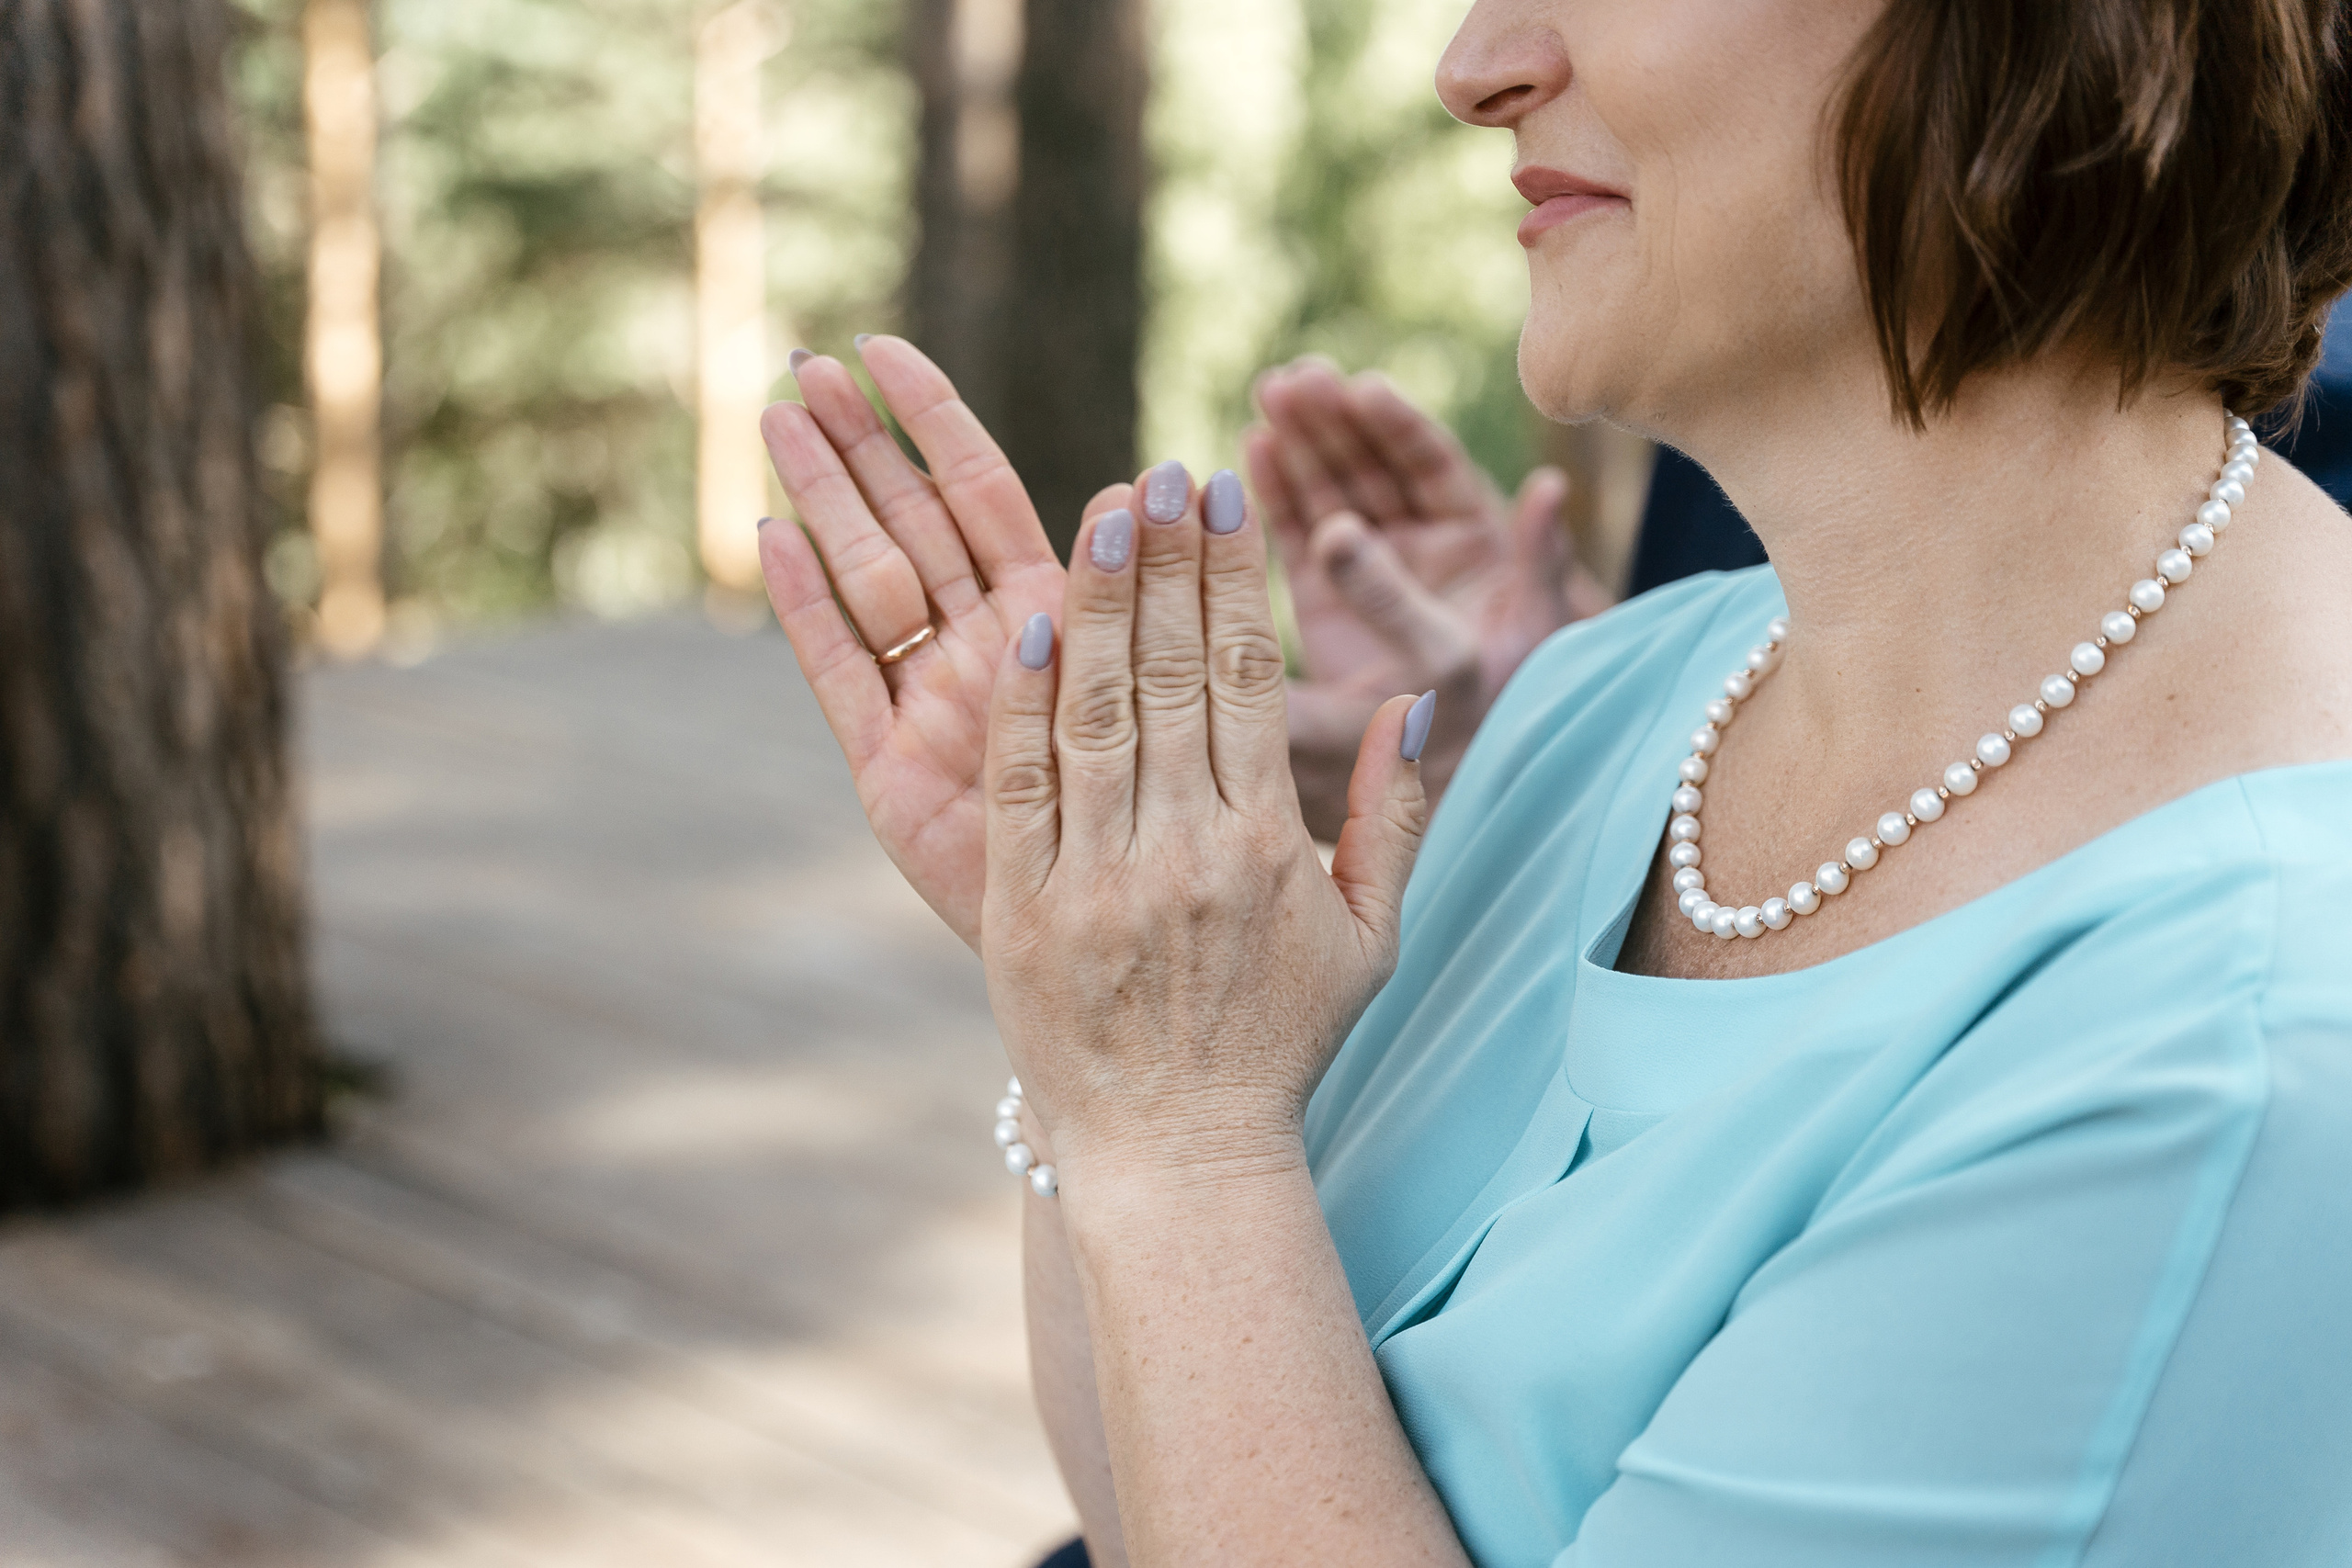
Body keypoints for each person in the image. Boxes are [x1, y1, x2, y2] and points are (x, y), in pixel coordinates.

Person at [758, 2, 2352, 1563]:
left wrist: (1179, 1135)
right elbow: (1150, 1506)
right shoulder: (1617, 697)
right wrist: (1087, 983)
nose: (1477, 67)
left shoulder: (2228, 1052)